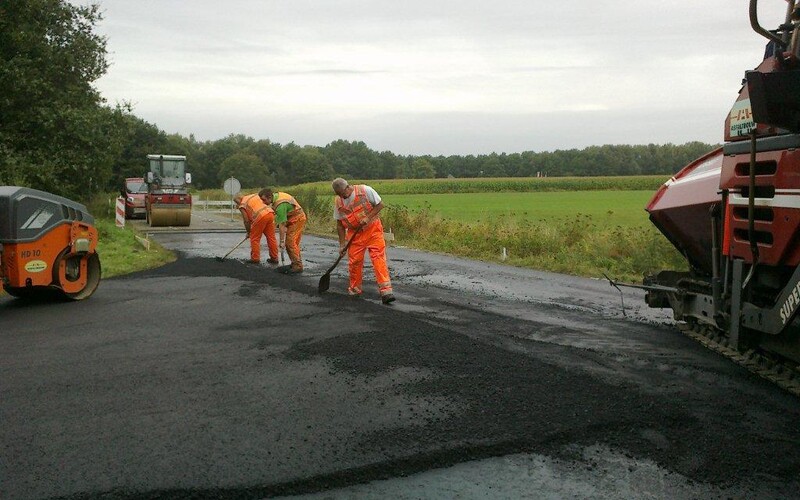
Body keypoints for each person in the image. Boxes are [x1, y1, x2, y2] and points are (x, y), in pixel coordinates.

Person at [331, 178, 395, 304]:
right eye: (338, 194)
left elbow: (380, 204)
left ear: (347, 187)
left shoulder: (365, 190)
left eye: (342, 193)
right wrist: (342, 245)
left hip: (373, 230)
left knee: (378, 259)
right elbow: (339, 225)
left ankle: (386, 292)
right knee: (354, 262)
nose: (341, 196)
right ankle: (355, 290)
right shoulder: (338, 201)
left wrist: (368, 217)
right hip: (354, 234)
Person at [259, 188, 306, 273]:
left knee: (290, 242)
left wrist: (281, 241)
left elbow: (282, 225)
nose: (263, 202)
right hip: (295, 218)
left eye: (264, 200)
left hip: (297, 219)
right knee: (293, 243)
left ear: (270, 197)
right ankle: (295, 262)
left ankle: (298, 266)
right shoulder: (277, 197)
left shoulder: (280, 205)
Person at [234, 192, 278, 265]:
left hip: (260, 217)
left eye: (236, 202)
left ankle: (255, 259)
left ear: (239, 200)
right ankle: (274, 258)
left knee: (255, 238)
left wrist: (249, 232)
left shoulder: (242, 205)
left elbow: (246, 221)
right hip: (270, 213)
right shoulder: (254, 195)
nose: (237, 204)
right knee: (271, 237)